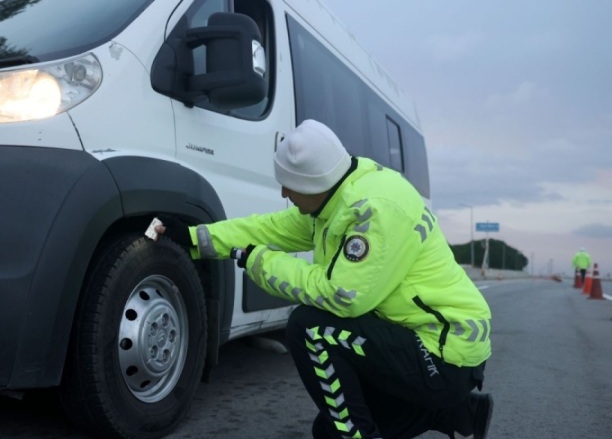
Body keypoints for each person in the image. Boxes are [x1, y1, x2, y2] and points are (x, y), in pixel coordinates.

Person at [156, 119, 493, 439]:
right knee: (328, 431)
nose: (285, 193)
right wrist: (194, 237)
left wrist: (257, 261)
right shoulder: (335, 197)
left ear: (314, 183)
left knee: (310, 327)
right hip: (424, 345)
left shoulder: (374, 210)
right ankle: (457, 413)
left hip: (442, 354)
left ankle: (436, 403)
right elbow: (268, 227)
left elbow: (343, 296)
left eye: (290, 184)